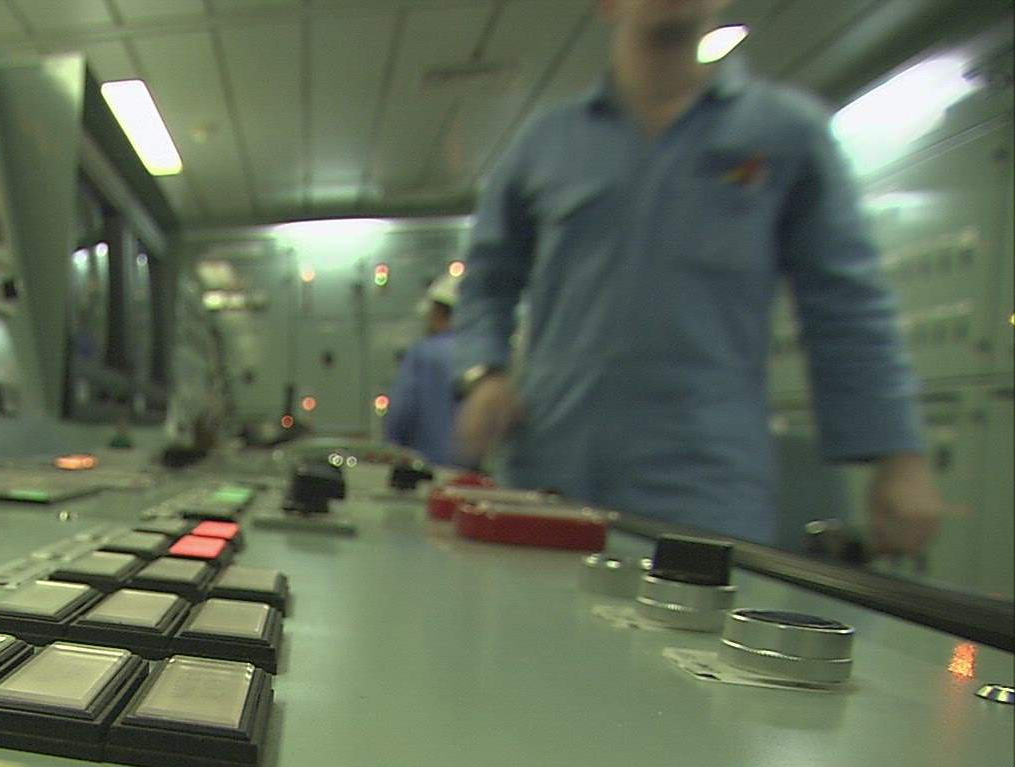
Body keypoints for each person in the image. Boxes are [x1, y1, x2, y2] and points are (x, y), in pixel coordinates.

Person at [450, 0, 942, 554]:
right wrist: (483, 374)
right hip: (553, 468)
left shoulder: (784, 134)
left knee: (700, 610)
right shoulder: (545, 144)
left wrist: (899, 454)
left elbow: (844, 300)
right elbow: (487, 278)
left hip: (706, 484)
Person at [384, 273, 466, 467]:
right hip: (472, 470)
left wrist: (391, 449)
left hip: (426, 465)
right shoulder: (480, 355)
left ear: (438, 311)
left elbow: (402, 411)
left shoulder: (423, 353)